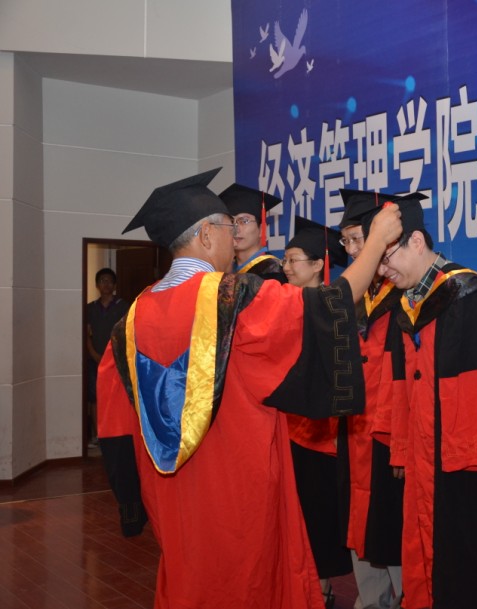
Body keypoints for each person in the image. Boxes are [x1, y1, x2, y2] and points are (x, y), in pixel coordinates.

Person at [96, 168, 402, 609]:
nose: (234, 238)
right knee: (248, 583)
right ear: (205, 236)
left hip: (168, 494)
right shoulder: (234, 298)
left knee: (188, 579)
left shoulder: (128, 322)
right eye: (228, 227)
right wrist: (376, 243)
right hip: (240, 487)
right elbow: (326, 308)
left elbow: (114, 429)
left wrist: (131, 504)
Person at [375, 197, 477, 609]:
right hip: (431, 455)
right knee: (439, 557)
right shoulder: (410, 305)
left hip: (475, 462)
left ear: (417, 242)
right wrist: (403, 448)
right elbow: (403, 387)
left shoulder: (471, 295)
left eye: (386, 258)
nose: (382, 271)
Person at [337, 190, 411, 609]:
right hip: (355, 429)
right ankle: (370, 602)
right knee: (359, 522)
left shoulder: (405, 294)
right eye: (345, 241)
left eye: (356, 240)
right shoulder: (351, 297)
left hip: (389, 432)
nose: (350, 250)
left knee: (392, 525)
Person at [283, 216, 354, 609]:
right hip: (290, 427)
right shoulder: (281, 305)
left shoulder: (334, 309)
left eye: (293, 260)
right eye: (285, 260)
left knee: (321, 512)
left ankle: (323, 585)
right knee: (298, 513)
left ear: (317, 265)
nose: (286, 267)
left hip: (324, 431)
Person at [85, 267, 129, 446]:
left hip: (117, 360)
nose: (106, 284)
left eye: (110, 281)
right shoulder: (90, 308)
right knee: (94, 397)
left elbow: (127, 333)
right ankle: (97, 435)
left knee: (117, 396)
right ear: (97, 285)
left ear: (114, 285)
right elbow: (86, 334)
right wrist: (94, 354)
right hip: (94, 359)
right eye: (103, 281)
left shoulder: (123, 306)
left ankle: (116, 433)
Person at [218, 182, 286, 281]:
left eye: (244, 221)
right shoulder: (224, 269)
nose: (236, 228)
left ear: (262, 229)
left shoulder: (273, 271)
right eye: (231, 222)